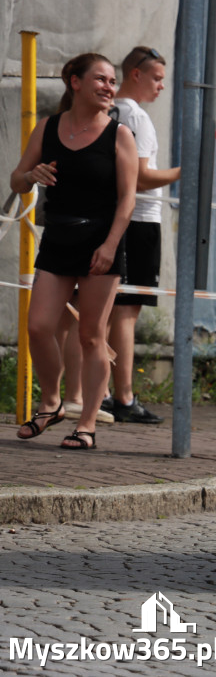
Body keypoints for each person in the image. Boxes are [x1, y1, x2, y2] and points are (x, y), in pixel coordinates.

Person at [10, 53, 138, 449]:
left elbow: (128, 199)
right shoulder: (48, 127)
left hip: (101, 240)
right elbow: (17, 180)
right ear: (75, 82)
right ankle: (51, 402)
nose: (109, 87)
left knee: (91, 335)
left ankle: (86, 425)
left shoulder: (119, 135)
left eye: (112, 82)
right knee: (38, 326)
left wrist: (110, 245)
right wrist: (30, 176)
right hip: (59, 237)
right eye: (100, 79)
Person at [94, 46, 180, 424]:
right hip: (139, 221)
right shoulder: (135, 116)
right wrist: (184, 172)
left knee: (110, 310)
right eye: (157, 78)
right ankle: (123, 396)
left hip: (120, 218)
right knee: (126, 312)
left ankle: (105, 392)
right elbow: (142, 178)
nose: (162, 85)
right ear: (135, 74)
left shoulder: (113, 112)